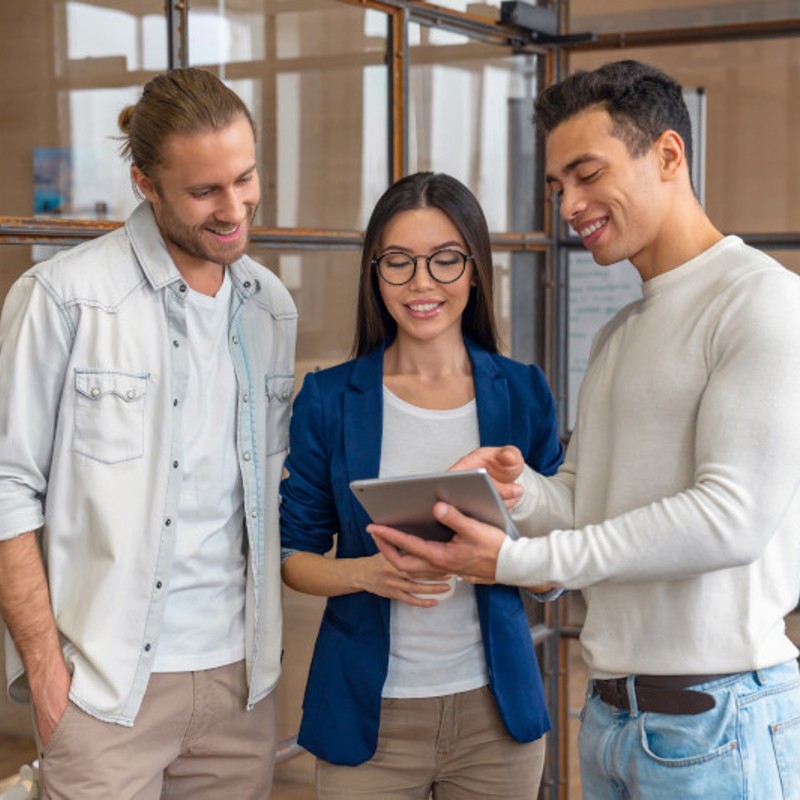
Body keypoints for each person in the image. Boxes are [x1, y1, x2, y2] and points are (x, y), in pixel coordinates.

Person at [371, 61, 800, 798]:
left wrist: (511, 562)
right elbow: (588, 505)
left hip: (717, 722)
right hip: (609, 718)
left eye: (587, 174)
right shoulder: (620, 331)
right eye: (557, 186)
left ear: (668, 155)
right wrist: (524, 492)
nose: (568, 205)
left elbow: (729, 519)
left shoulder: (762, 302)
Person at [0, 68, 297, 799]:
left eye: (245, 178)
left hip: (239, 686)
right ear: (145, 182)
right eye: (205, 192)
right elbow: (7, 487)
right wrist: (42, 668)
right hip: (103, 691)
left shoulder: (270, 307)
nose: (234, 209)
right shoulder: (62, 299)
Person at [279, 171, 563, 799]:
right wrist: (366, 575)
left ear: (475, 269)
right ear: (374, 273)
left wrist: (506, 553)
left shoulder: (522, 392)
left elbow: (555, 566)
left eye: (445, 260)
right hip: (368, 716)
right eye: (399, 263)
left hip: (497, 719)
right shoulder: (329, 399)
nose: (422, 284)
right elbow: (292, 558)